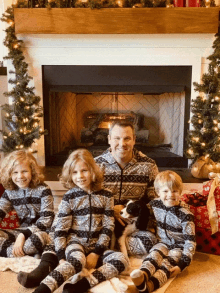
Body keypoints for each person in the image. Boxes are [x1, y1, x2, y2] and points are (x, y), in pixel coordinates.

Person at [20, 149, 128, 293]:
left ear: (93, 171)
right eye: (75, 172)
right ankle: (42, 290)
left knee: (122, 260)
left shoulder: (107, 195)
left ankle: (78, 286)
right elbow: (60, 230)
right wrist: (61, 257)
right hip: (76, 243)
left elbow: (108, 226)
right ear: (70, 175)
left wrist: (96, 253)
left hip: (99, 247)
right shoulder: (69, 197)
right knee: (78, 260)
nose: (80, 176)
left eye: (84, 170)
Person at [95, 120, 159, 255]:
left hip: (134, 227)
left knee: (150, 243)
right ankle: (110, 249)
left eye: (127, 138)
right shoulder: (96, 165)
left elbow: (156, 202)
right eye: (117, 138)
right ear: (109, 140)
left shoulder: (149, 165)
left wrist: (134, 211)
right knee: (86, 237)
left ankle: (109, 250)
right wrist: (110, 209)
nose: (122, 143)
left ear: (134, 140)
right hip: (103, 225)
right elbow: (87, 200)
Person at [130, 170, 196, 293]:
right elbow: (143, 210)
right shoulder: (155, 204)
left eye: (174, 191)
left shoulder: (186, 215)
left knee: (167, 264)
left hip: (179, 247)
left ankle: (148, 287)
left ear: (180, 192)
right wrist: (134, 206)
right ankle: (142, 276)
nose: (170, 195)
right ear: (158, 192)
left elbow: (190, 242)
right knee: (153, 255)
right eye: (165, 191)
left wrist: (182, 265)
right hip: (162, 242)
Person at [0, 150, 54, 258]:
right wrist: (21, 235)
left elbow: (47, 220)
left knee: (39, 239)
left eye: (24, 171)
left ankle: (12, 252)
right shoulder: (10, 192)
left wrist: (23, 235)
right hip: (20, 231)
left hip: (42, 232)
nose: (20, 176)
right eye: (15, 172)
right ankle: (23, 251)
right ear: (9, 174)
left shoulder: (43, 189)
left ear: (33, 172)